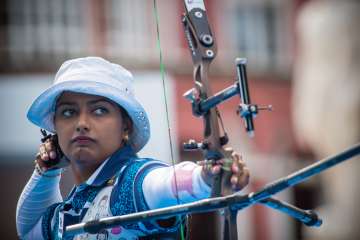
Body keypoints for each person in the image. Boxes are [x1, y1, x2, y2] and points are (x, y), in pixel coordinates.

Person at [16, 57, 250, 239]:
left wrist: (207, 177)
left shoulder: (130, 182)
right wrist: (46, 171)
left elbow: (163, 184)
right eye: (68, 112)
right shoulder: (72, 206)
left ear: (125, 125)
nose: (81, 124)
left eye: (99, 111)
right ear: (55, 128)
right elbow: (28, 230)